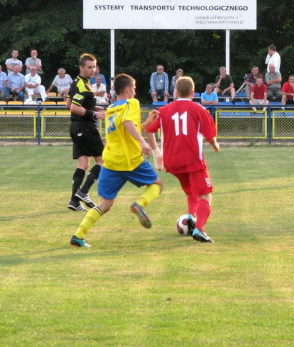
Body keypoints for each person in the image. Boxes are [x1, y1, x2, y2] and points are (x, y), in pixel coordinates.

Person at [70, 73, 163, 247]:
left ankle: (79, 235)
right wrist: (143, 143)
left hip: (111, 162)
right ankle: (139, 204)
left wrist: (147, 122)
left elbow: (127, 131)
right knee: (158, 184)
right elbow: (128, 123)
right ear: (127, 90)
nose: (135, 92)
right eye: (134, 89)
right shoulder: (132, 103)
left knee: (105, 204)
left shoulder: (111, 109)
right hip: (130, 160)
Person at [146, 76, 219, 243]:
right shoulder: (199, 109)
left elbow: (148, 130)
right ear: (193, 93)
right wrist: (215, 145)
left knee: (192, 191)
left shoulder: (163, 110)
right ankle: (199, 229)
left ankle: (190, 217)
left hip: (172, 161)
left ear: (175, 92)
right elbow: (210, 136)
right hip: (193, 160)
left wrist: (157, 152)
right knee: (206, 195)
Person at [66, 53, 106, 212]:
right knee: (103, 161)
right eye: (89, 67)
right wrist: (94, 114)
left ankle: (74, 201)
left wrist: (92, 108)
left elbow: (68, 104)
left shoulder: (77, 82)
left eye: (94, 66)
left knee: (83, 163)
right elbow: (74, 107)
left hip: (75, 127)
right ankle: (83, 192)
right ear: (81, 67)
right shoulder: (83, 85)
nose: (93, 70)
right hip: (85, 127)